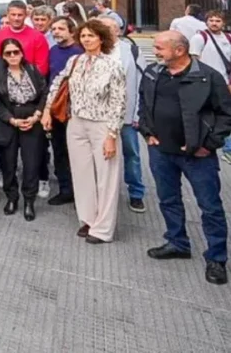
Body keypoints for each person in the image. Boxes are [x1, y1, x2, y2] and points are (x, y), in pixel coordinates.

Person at [140, 31, 231, 285]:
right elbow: (143, 104)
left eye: (160, 47)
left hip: (198, 155)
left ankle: (216, 258)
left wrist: (209, 144)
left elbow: (226, 114)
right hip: (160, 151)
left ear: (179, 51)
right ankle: (177, 242)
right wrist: (147, 132)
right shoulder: (152, 73)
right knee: (168, 200)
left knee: (210, 207)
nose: (155, 51)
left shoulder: (208, 77)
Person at [42, 20, 127, 244]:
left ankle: (103, 228)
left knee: (106, 177)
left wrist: (111, 135)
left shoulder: (112, 65)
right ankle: (87, 219)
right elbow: (57, 84)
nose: (87, 40)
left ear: (101, 38)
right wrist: (47, 111)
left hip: (102, 124)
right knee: (82, 174)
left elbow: (119, 103)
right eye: (84, 36)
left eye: (91, 36)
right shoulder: (75, 61)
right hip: (76, 122)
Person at [0, 38, 48, 221]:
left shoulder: (33, 70)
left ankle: (29, 201)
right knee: (8, 163)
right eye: (8, 53)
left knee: (31, 163)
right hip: (8, 119)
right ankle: (12, 197)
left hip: (32, 118)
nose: (13, 56)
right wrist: (11, 120)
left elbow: (45, 93)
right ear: (2, 55)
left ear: (22, 53)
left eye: (16, 52)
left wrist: (37, 115)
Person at [98, 16, 146, 213]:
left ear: (118, 31)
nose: (107, 31)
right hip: (99, 115)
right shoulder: (94, 49)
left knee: (131, 154)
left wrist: (138, 113)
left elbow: (142, 81)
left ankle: (136, 193)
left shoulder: (131, 51)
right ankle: (104, 194)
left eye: (110, 28)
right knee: (101, 155)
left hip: (125, 115)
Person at [47, 17, 83, 205]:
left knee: (77, 153)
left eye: (61, 28)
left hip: (75, 110)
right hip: (56, 108)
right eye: (53, 29)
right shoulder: (52, 51)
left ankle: (81, 192)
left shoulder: (79, 52)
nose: (56, 32)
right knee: (59, 150)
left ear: (71, 31)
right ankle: (65, 189)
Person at [0, 0, 50, 76]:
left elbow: (41, 66)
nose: (16, 18)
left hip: (31, 82)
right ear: (7, 15)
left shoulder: (38, 37)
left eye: (20, 15)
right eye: (13, 15)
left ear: (26, 15)